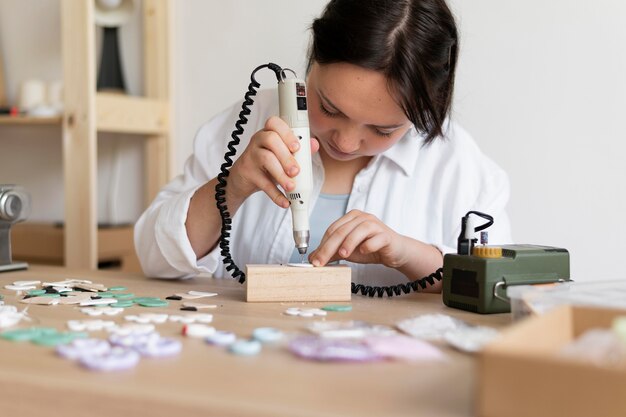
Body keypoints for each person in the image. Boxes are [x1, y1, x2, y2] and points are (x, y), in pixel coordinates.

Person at [134, 0, 512, 293]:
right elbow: (154, 258)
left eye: (383, 130)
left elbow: (499, 287)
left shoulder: (459, 168)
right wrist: (229, 189)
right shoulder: (244, 124)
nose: (346, 142)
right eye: (329, 108)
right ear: (312, 59)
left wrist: (409, 255)